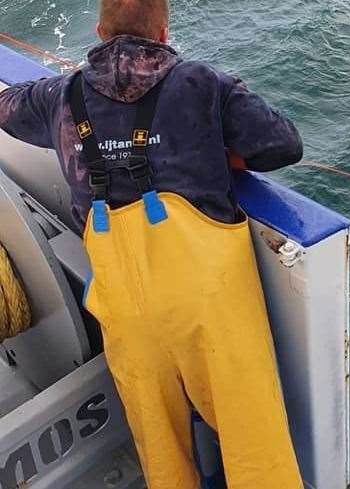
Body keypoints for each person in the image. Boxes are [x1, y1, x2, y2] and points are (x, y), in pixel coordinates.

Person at [0, 1, 304, 488]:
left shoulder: (61, 96)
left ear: (99, 31)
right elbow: (283, 145)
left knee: (161, 454)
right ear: (163, 32)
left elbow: (7, 108)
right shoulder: (202, 84)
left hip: (125, 311)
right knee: (256, 450)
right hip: (210, 309)